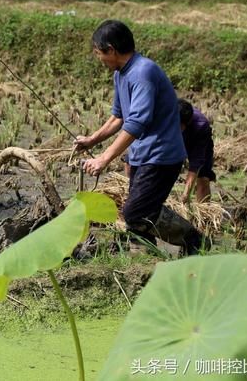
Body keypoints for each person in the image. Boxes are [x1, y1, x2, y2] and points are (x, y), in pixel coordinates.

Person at [74, 19, 204, 255]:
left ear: (111, 50)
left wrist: (104, 158)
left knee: (137, 212)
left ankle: (193, 239)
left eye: (98, 53)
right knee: (137, 214)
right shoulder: (121, 74)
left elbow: (137, 122)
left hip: (161, 155)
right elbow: (119, 117)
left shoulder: (143, 72)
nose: (98, 59)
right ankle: (143, 261)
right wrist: (92, 140)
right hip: (141, 155)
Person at [178, 98, 215, 203]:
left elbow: (196, 163)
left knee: (203, 176)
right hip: (172, 141)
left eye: (180, 126)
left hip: (198, 138)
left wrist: (186, 194)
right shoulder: (165, 115)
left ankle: (203, 213)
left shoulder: (201, 125)